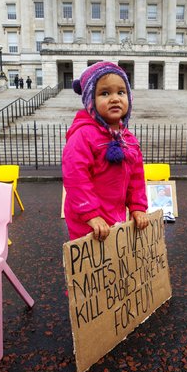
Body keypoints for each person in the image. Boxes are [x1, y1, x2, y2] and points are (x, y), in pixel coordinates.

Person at [62, 61, 149, 241]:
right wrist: (91, 214)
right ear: (90, 101)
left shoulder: (129, 139)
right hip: (87, 222)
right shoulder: (82, 135)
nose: (115, 98)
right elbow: (76, 178)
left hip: (115, 217)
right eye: (104, 93)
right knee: (89, 268)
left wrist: (137, 207)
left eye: (121, 92)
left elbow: (136, 177)